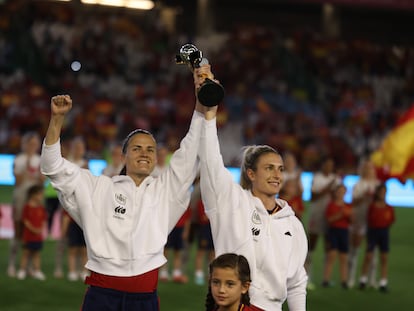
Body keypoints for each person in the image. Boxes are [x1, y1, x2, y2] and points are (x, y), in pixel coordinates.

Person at [40, 64, 212, 310]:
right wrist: (56, 120)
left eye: (150, 149)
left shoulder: (166, 191)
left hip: (145, 299)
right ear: (123, 157)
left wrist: (200, 102)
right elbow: (52, 166)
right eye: (137, 148)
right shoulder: (98, 187)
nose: (145, 153)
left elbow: (191, 148)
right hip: (101, 297)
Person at [198, 82, 308, 310]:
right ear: (251, 173)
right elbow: (211, 163)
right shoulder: (231, 203)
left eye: (280, 169)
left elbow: (297, 282)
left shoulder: (293, 224)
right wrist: (209, 115)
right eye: (269, 168)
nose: (277, 174)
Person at [8, 131, 45, 277]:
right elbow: (17, 182)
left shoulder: (40, 160)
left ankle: (29, 266)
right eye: (29, 144)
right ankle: (12, 263)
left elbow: (42, 182)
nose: (32, 146)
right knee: (18, 230)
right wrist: (26, 170)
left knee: (33, 232)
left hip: (35, 200)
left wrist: (38, 175)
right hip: (21, 197)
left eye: (34, 144)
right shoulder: (19, 159)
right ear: (24, 144)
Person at [304, 157, 341, 289]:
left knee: (328, 247)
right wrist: (329, 187)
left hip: (329, 216)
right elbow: (313, 196)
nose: (329, 167)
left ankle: (326, 278)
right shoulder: (317, 177)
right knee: (311, 246)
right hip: (316, 214)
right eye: (327, 165)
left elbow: (338, 195)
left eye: (331, 165)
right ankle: (307, 278)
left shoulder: (336, 179)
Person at [347, 159, 380, 288]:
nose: (369, 170)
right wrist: (364, 197)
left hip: (373, 221)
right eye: (366, 168)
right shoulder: (358, 184)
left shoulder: (377, 184)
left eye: (370, 168)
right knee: (354, 249)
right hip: (359, 219)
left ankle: (372, 279)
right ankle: (351, 278)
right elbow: (354, 202)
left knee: (373, 251)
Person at [359, 183, 395, 293]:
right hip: (373, 232)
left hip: (383, 232)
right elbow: (369, 219)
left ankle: (383, 282)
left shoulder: (389, 207)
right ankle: (363, 279)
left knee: (384, 257)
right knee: (368, 256)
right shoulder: (372, 206)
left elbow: (391, 220)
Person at [322, 184, 353, 289]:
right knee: (332, 255)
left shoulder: (348, 206)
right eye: (339, 191)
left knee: (344, 256)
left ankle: (344, 280)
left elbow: (352, 221)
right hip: (334, 231)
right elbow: (329, 220)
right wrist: (341, 215)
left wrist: (349, 215)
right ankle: (326, 279)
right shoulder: (331, 205)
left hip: (344, 231)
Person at [16, 184, 47, 280]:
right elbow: (25, 221)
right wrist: (33, 229)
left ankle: (37, 271)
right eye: (40, 194)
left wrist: (41, 228)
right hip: (28, 236)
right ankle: (22, 270)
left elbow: (43, 220)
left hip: (38, 236)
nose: (41, 197)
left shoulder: (41, 208)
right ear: (33, 195)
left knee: (36, 254)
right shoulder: (27, 207)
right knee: (26, 253)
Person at [159, 207, 191, 283]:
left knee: (178, 252)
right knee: (165, 252)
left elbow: (188, 218)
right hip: (169, 228)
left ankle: (176, 274)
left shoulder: (185, 201)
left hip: (180, 228)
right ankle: (163, 273)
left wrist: (186, 231)